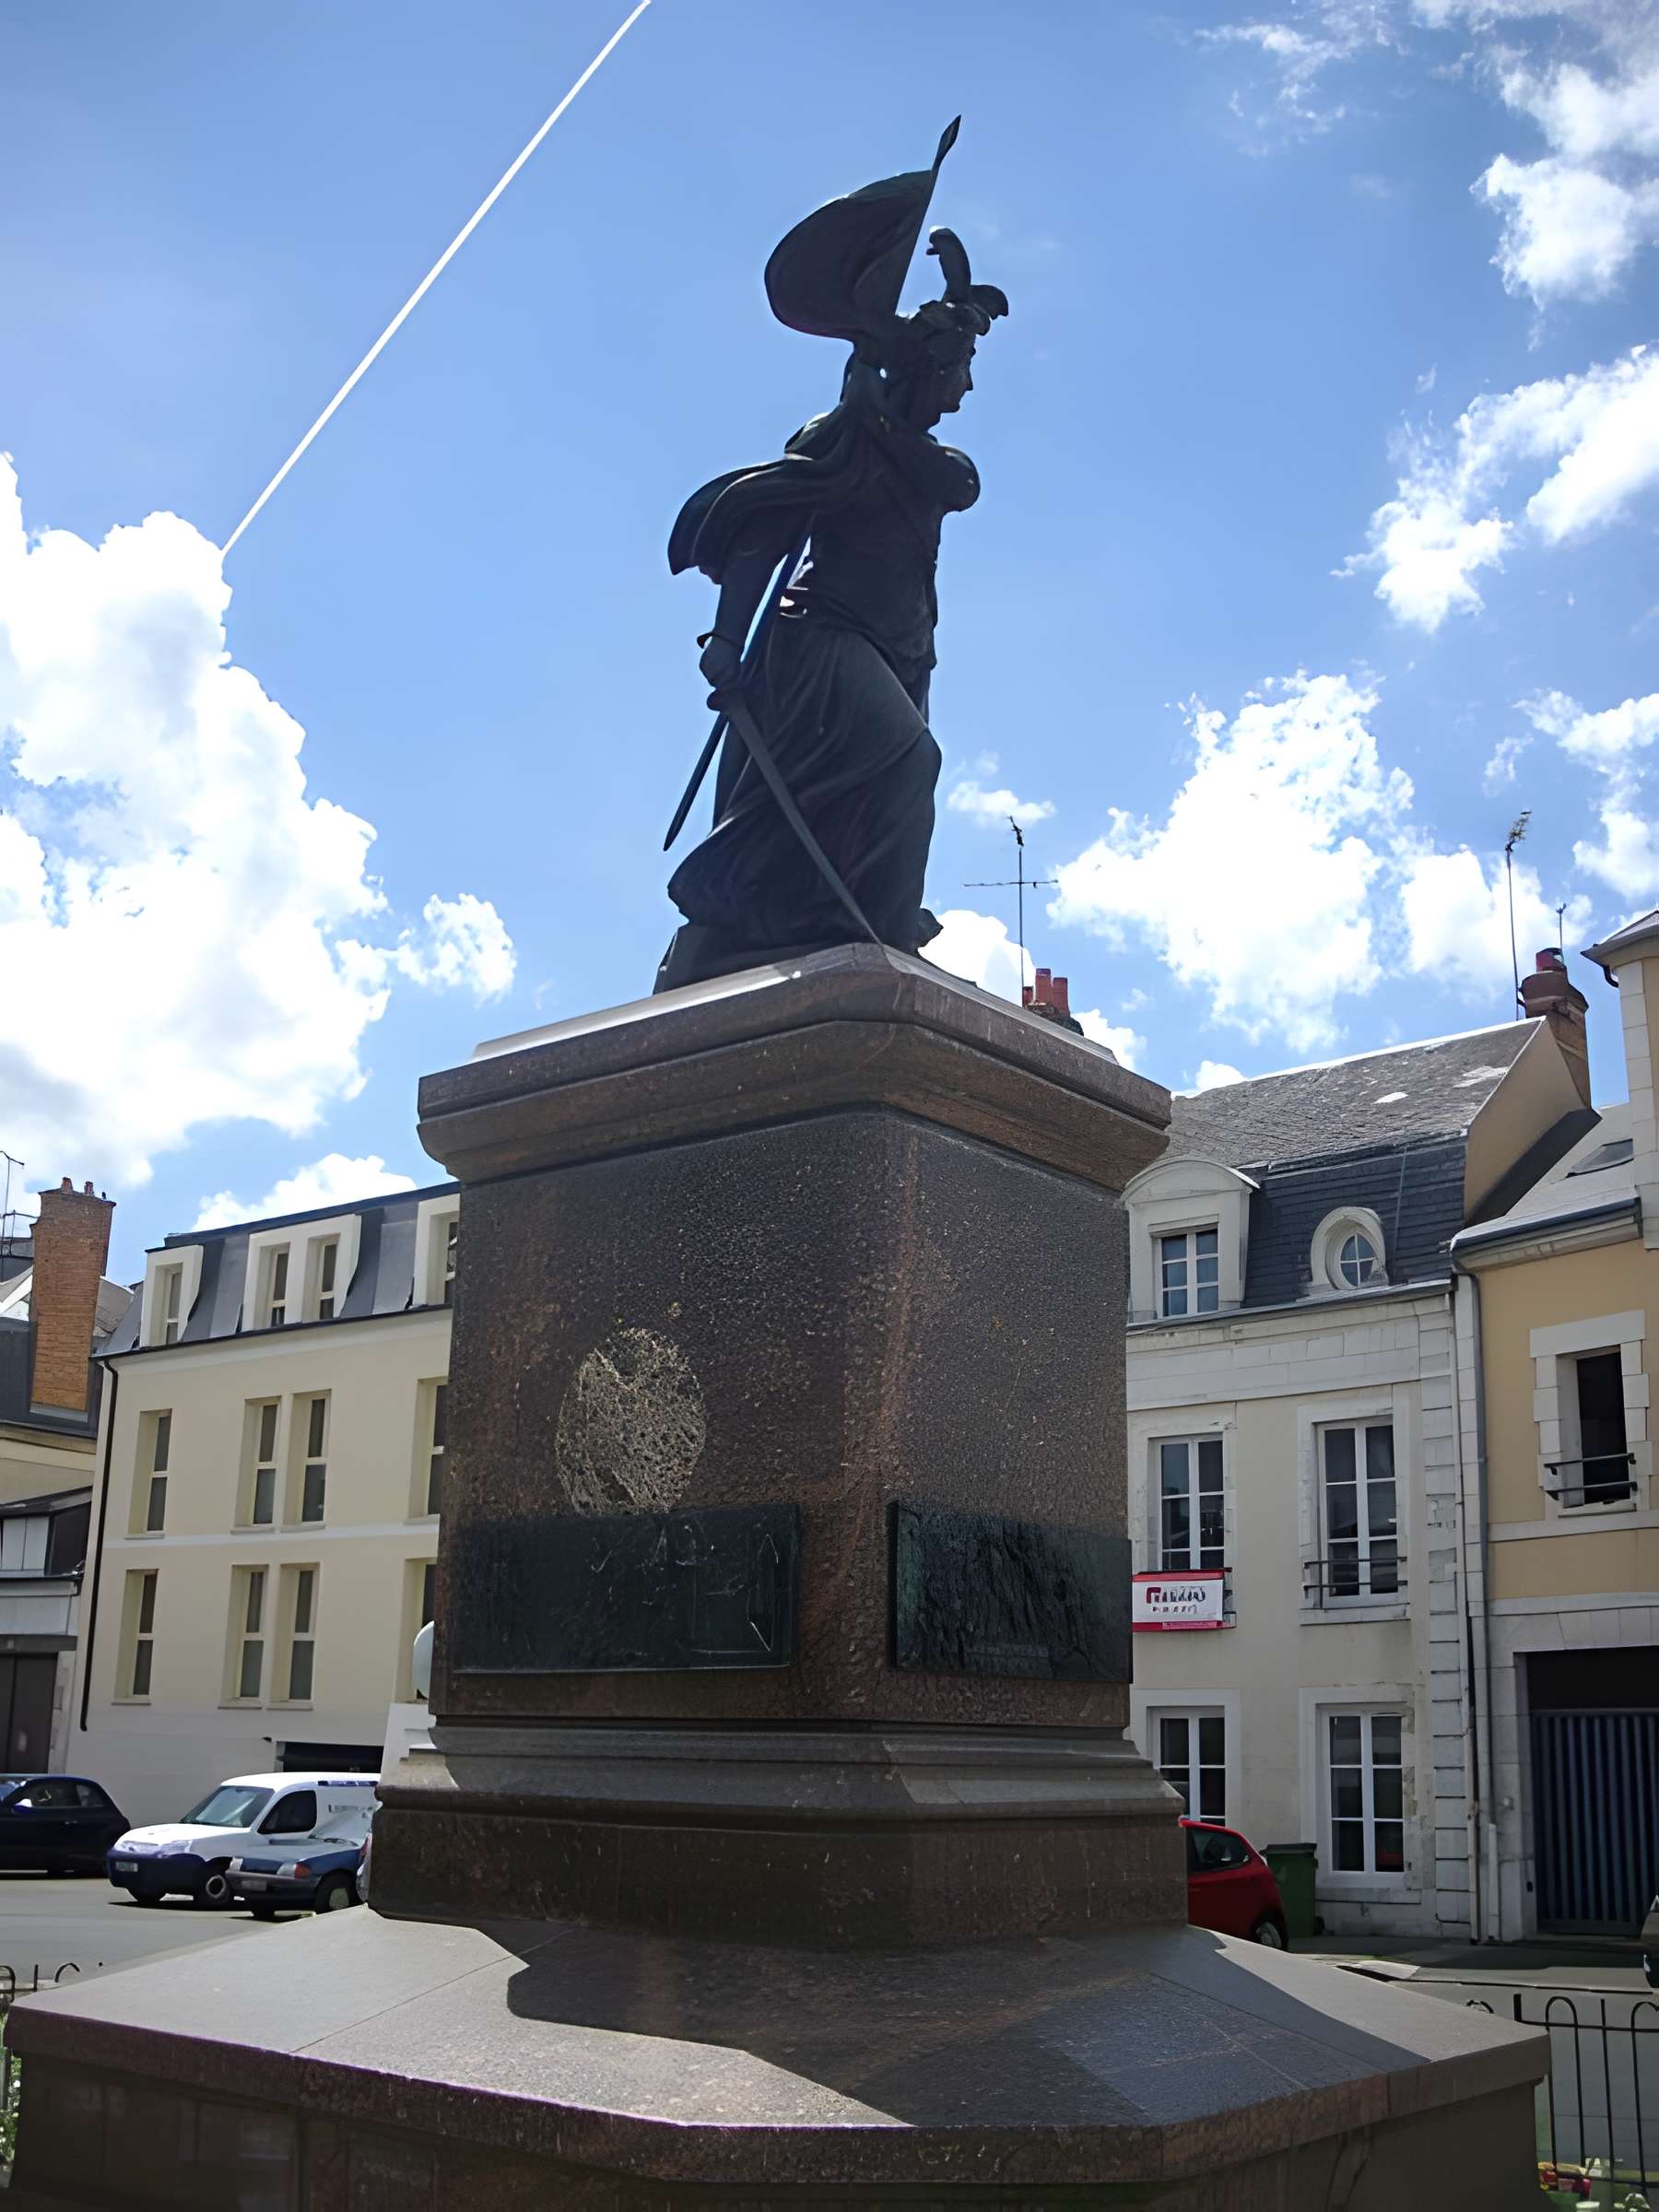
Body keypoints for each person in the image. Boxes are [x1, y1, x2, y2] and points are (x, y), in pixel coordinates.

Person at [653, 133, 1006, 995]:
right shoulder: (836, 442)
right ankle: (881, 931)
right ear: (924, 365)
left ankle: (819, 923)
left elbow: (948, 487)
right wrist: (725, 641)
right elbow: (760, 536)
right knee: (909, 761)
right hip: (821, 636)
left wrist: (872, 411)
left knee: (836, 803)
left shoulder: (932, 460)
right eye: (956, 369)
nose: (962, 391)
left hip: (898, 648)